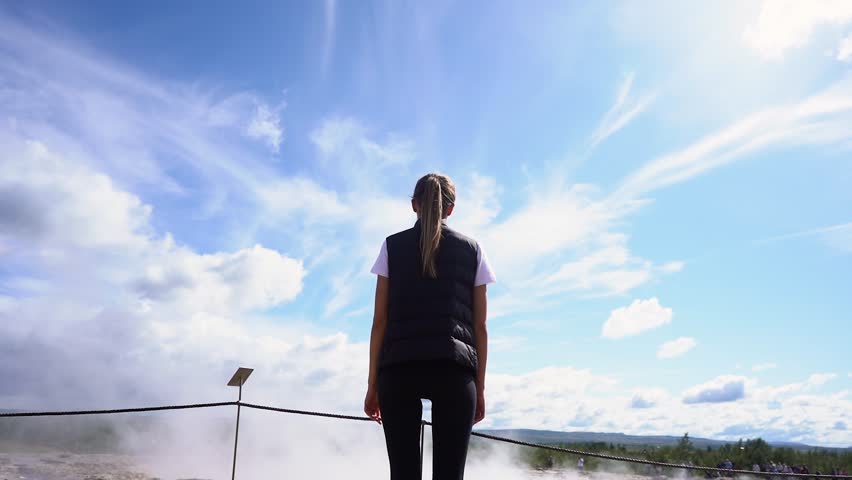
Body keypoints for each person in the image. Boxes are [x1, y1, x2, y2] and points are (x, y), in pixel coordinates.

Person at [363, 173, 496, 480]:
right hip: (455, 371)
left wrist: (373, 384)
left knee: (403, 475)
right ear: (451, 209)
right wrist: (480, 388)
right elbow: (480, 326)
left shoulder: (391, 247)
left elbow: (379, 321)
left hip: (398, 370)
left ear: (414, 205)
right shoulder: (473, 250)